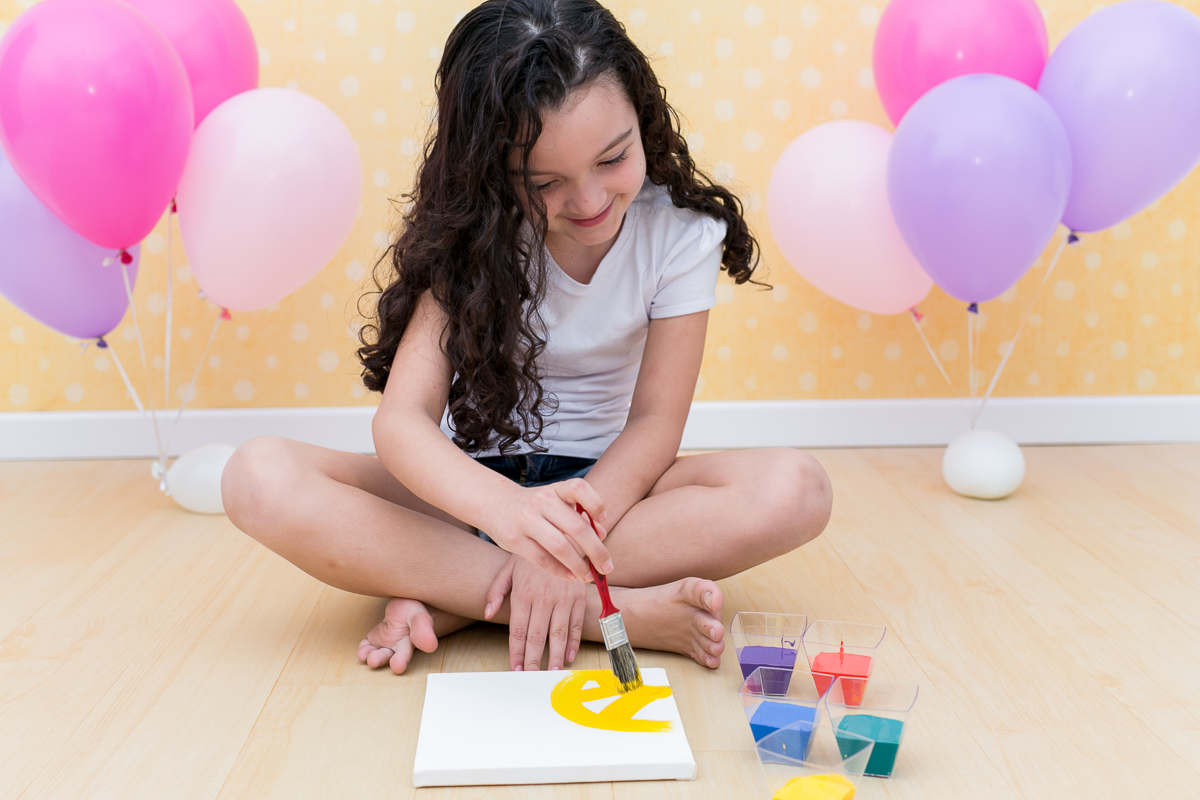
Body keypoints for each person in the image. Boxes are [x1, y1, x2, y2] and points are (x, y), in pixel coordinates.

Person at [221, 0, 831, 677]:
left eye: (613, 158)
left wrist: (566, 535)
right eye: (545, 183)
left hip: (607, 501)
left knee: (796, 488)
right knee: (257, 477)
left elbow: (658, 421)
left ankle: (458, 597)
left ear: (644, 121)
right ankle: (606, 613)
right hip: (466, 498)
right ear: (494, 172)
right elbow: (402, 423)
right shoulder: (473, 235)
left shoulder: (681, 234)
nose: (591, 199)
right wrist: (509, 514)